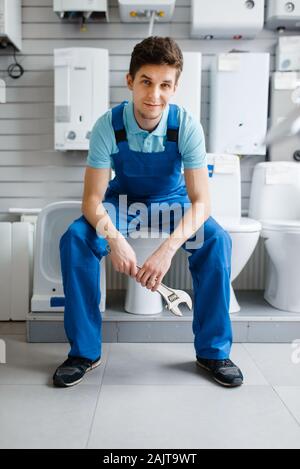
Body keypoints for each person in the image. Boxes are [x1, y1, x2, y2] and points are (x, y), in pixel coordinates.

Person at [53, 36, 243, 388]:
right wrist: (115, 239)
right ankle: (84, 351)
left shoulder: (186, 126)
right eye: (146, 82)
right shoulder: (107, 126)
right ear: (130, 80)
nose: (154, 95)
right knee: (77, 237)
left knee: (216, 239)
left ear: (175, 86)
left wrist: (168, 249)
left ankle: (213, 351)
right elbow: (92, 201)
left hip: (173, 201)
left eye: (165, 85)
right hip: (122, 201)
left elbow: (201, 202)